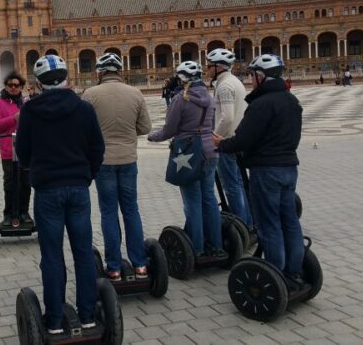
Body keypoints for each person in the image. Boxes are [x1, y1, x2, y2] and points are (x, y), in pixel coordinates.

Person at [16, 54, 105, 335]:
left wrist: (38, 168)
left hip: (47, 191)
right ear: (67, 77)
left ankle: (54, 321)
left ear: (38, 82)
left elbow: (23, 152)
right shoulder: (84, 108)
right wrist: (85, 175)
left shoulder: (30, 111)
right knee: (83, 252)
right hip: (78, 189)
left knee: (52, 255)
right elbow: (97, 150)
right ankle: (88, 315)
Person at [213, 54, 305, 289]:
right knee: (290, 222)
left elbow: (243, 139)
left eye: (252, 76)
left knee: (269, 223)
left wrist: (220, 144)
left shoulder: (262, 104)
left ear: (261, 76)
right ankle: (294, 271)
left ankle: (275, 272)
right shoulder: (291, 101)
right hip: (289, 168)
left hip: (266, 171)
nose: (251, 81)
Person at [81, 52, 151, 281]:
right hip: (128, 159)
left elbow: (83, 130)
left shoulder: (90, 95)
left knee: (109, 212)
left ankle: (113, 267)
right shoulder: (135, 93)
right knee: (131, 210)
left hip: (104, 161)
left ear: (100, 72)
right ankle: (140, 264)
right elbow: (145, 128)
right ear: (119, 71)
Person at [148, 62, 225, 261]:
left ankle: (197, 248)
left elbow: (170, 130)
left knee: (192, 202)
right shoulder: (208, 97)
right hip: (210, 150)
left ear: (182, 78)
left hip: (189, 153)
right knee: (208, 198)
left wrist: (152, 136)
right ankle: (216, 245)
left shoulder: (179, 99)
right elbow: (212, 124)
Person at [205, 48, 252, 228]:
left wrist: (215, 138)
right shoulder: (235, 82)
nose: (207, 69)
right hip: (238, 138)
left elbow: (227, 117)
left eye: (209, 66)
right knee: (240, 184)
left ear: (218, 67)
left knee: (232, 187)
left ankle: (240, 227)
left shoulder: (224, 86)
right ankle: (248, 222)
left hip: (226, 142)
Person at [0, 71, 31, 226]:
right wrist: (13, 118)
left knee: (26, 183)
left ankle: (24, 212)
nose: (13, 88)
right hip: (8, 151)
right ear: (6, 86)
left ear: (21, 87)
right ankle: (8, 214)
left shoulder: (27, 104)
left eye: (17, 85)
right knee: (9, 183)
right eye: (10, 85)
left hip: (25, 150)